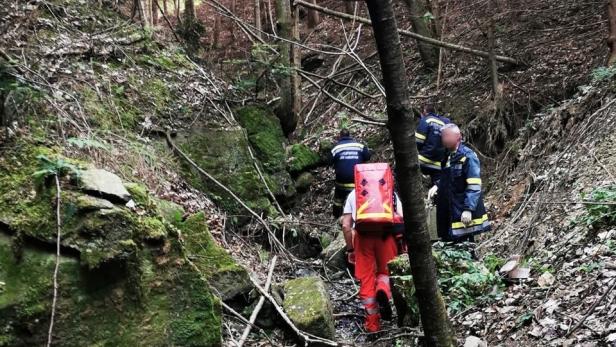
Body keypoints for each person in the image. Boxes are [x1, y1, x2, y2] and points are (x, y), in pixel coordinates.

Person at [341, 176, 404, 333]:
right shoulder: (390, 192)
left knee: (367, 278)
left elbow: (346, 225)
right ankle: (382, 288)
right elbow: (401, 219)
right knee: (386, 271)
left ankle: (373, 325)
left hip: (362, 238)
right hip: (386, 236)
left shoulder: (354, 194)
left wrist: (350, 249)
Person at [431, 123, 490, 242]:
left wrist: (468, 209)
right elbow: (449, 178)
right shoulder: (447, 157)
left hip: (461, 210)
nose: (443, 139)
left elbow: (474, 184)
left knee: (466, 246)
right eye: (443, 136)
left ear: (457, 137)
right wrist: (438, 186)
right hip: (449, 211)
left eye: (446, 135)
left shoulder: (467, 156)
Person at [330, 129, 371, 217]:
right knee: (359, 200)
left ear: (340, 136)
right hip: (357, 182)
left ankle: (337, 217)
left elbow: (329, 161)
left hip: (341, 182)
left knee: (338, 201)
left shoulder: (335, 148)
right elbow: (368, 156)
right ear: (349, 136)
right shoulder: (360, 146)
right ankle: (361, 217)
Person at [415, 104, 450, 185]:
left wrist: (418, 152)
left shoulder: (426, 121)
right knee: (437, 186)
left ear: (424, 112)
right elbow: (447, 147)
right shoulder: (443, 124)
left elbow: (418, 140)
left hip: (422, 160)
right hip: (437, 164)